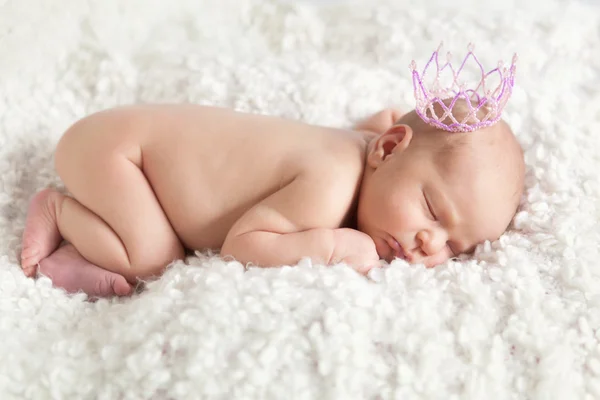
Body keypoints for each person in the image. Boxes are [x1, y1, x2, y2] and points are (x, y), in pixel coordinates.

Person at [20, 47, 525, 298]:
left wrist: (385, 120)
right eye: (433, 210)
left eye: (453, 247)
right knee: (154, 261)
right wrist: (332, 247)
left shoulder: (369, 149)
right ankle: (60, 212)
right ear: (389, 150)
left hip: (123, 143)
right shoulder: (329, 184)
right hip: (118, 156)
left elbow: (382, 123)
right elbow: (243, 246)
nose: (426, 242)